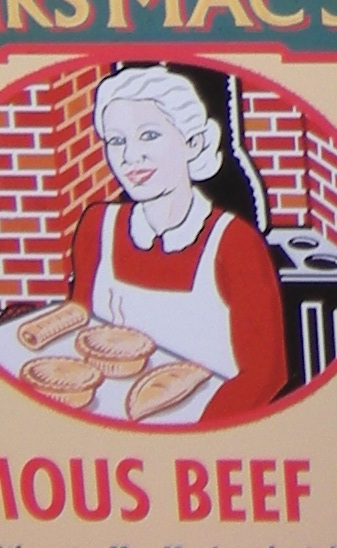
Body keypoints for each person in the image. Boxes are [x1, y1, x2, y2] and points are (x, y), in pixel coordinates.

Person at [66, 63, 288, 421]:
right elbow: (81, 336)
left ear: (193, 142)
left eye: (149, 135)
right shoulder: (97, 227)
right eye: (117, 140)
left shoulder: (233, 243)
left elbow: (266, 374)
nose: (130, 156)